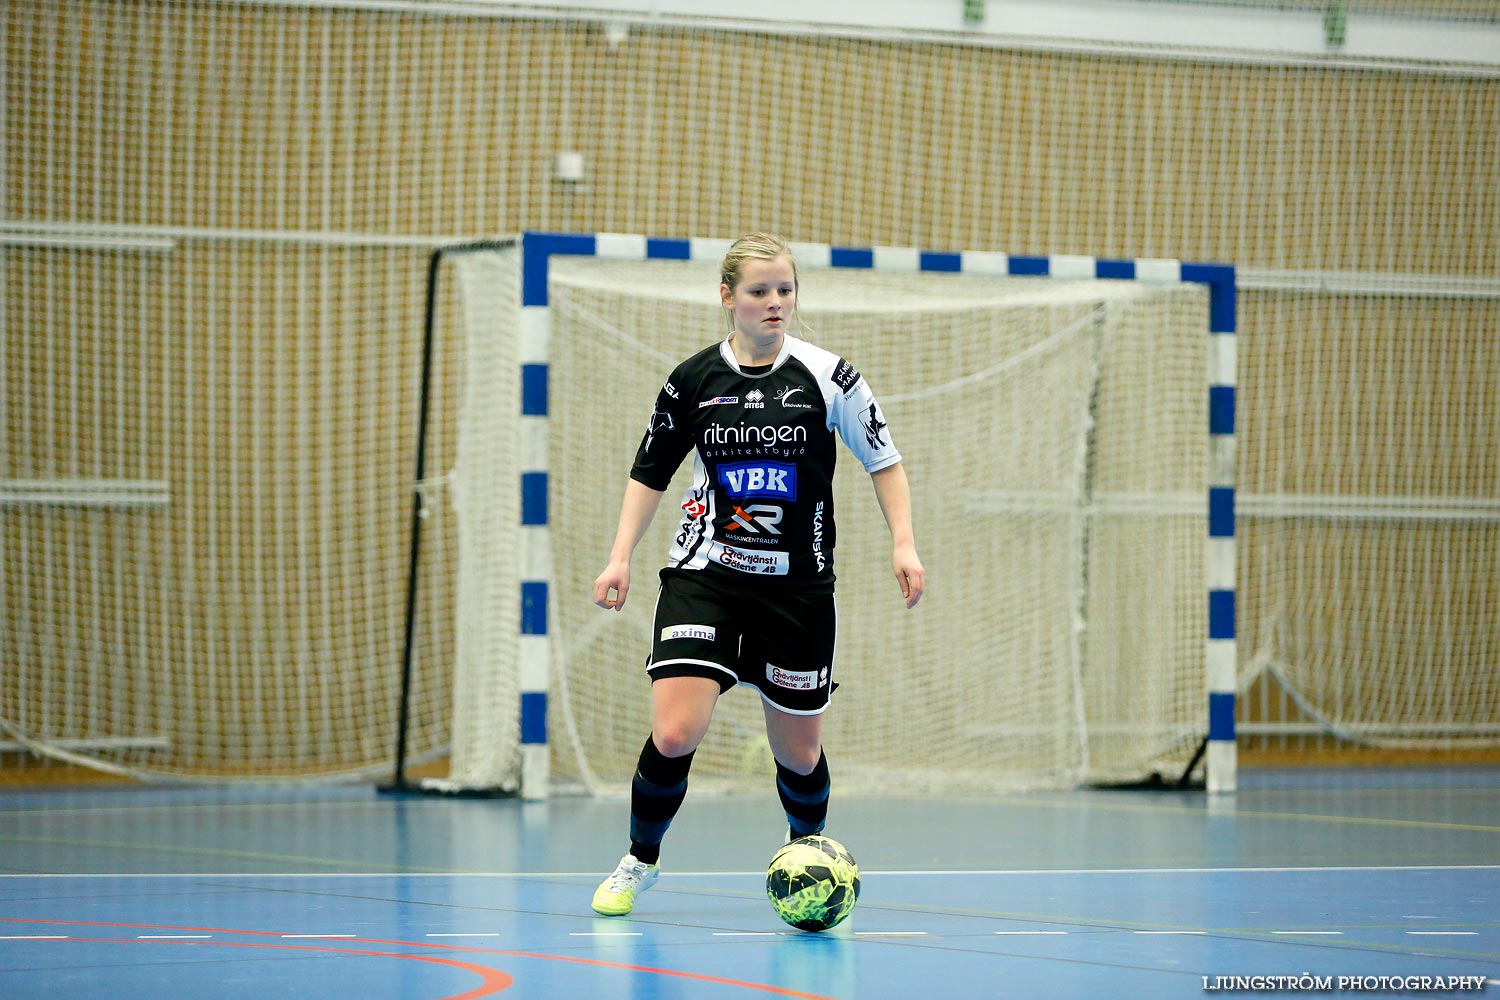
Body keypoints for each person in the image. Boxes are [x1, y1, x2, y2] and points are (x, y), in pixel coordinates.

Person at [589, 232, 925, 916]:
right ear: (727, 297)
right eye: (759, 291)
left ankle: (810, 855)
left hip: (798, 589)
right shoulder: (692, 381)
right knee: (676, 732)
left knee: (799, 756)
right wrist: (620, 554)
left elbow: (883, 461)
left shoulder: (831, 378)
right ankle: (638, 859)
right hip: (705, 574)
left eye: (785, 290)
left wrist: (904, 544)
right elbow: (649, 471)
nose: (776, 303)